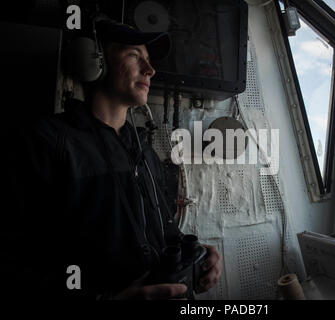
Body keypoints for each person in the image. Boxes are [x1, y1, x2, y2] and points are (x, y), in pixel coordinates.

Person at [4, 20, 222, 299]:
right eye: (134, 55)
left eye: (149, 59)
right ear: (94, 61)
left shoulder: (144, 152)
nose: (150, 69)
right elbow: (16, 264)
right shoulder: (45, 143)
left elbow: (161, 233)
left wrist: (197, 252)